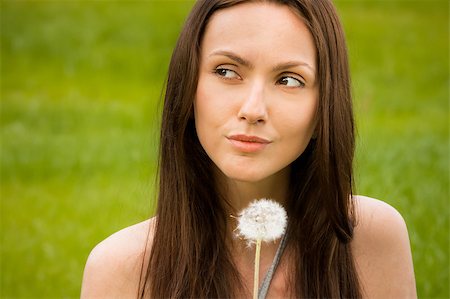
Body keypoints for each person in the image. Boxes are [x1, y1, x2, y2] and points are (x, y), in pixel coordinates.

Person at [81, 0, 417, 298]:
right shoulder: (121, 270)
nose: (253, 109)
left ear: (322, 110)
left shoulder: (372, 241)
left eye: (288, 79)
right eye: (226, 71)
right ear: (188, 88)